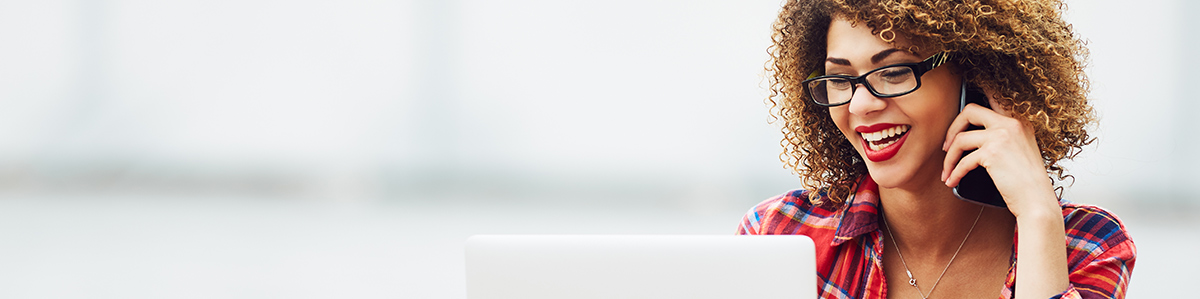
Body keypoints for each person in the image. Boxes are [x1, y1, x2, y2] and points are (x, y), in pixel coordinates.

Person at [737, 1, 1136, 298]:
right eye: (840, 79)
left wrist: (1037, 215)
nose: (859, 105)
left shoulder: (1085, 245)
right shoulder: (779, 234)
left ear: (977, 76)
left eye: (894, 72)